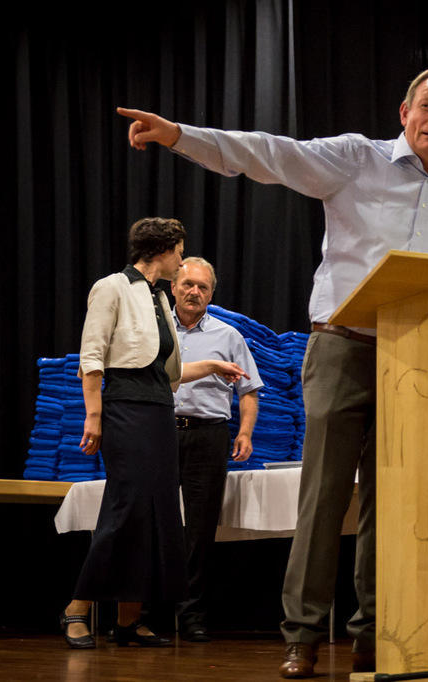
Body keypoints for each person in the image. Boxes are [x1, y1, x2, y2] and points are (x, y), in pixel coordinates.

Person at [117, 66, 428, 677]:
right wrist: (180, 135)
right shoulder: (357, 159)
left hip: (418, 355)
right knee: (324, 494)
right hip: (343, 345)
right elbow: (270, 154)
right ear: (404, 112)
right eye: (427, 106)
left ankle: (375, 633)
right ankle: (304, 635)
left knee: (392, 501)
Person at [60, 218, 249, 649]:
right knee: (125, 509)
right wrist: (94, 416)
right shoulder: (112, 287)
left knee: (155, 517)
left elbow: (168, 373)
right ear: (162, 250)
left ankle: (129, 620)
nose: (181, 261)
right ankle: (76, 608)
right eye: (179, 252)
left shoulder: (158, 297)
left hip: (160, 410)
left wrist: (213, 366)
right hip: (125, 409)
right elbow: (92, 356)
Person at [171, 257, 264, 642]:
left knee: (200, 527)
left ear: (211, 294)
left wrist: (245, 432)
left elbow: (249, 390)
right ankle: (143, 613)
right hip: (160, 433)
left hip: (208, 435)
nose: (194, 292)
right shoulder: (155, 330)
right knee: (152, 521)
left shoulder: (228, 336)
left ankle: (191, 614)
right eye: (188, 284)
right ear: (173, 287)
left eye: (202, 287)